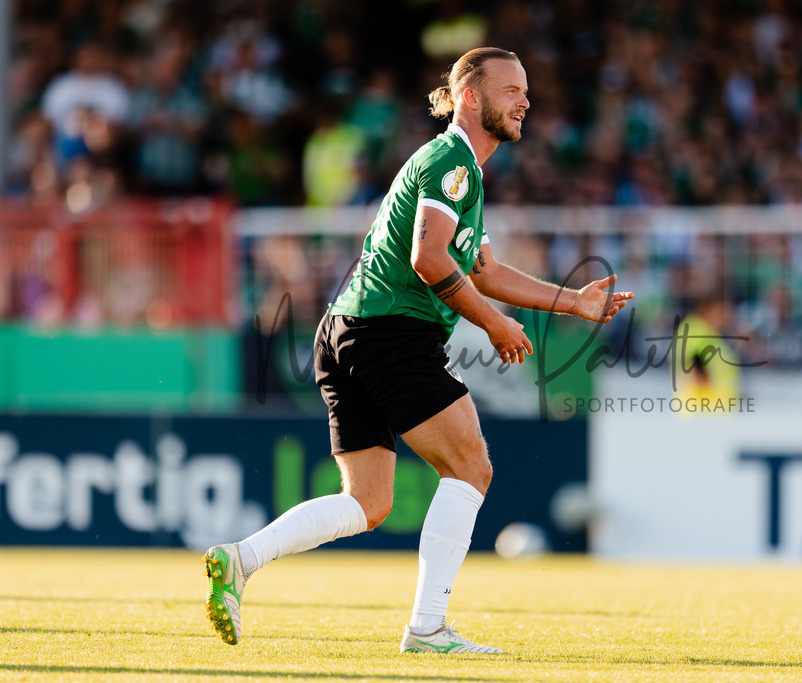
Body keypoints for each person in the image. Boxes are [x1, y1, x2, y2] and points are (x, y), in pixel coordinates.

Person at [204, 47, 634, 654]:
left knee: (370, 502)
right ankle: (428, 628)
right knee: (471, 467)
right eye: (511, 90)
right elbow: (428, 260)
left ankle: (240, 559)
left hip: (347, 328)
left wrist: (571, 303)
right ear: (470, 97)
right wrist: (495, 327)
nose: (525, 101)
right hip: (390, 331)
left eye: (525, 90)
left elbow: (479, 268)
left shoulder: (463, 170)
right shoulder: (452, 162)